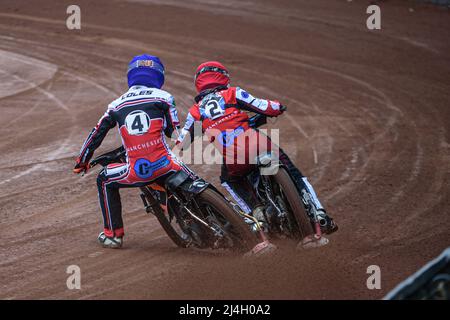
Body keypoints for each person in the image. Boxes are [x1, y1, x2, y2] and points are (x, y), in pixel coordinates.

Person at [177, 61, 337, 239]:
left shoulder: (196, 111)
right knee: (292, 171)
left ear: (198, 84)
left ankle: (256, 217)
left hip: (235, 160)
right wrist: (278, 107)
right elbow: (264, 106)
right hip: (256, 144)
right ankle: (318, 213)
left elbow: (183, 142)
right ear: (224, 78)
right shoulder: (232, 93)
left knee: (228, 180)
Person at [73, 54, 189, 249]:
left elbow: (96, 135)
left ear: (131, 76)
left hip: (136, 171)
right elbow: (173, 132)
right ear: (159, 76)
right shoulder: (164, 97)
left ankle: (113, 235)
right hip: (167, 164)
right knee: (186, 172)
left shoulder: (115, 105)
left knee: (103, 180)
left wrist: (82, 162)